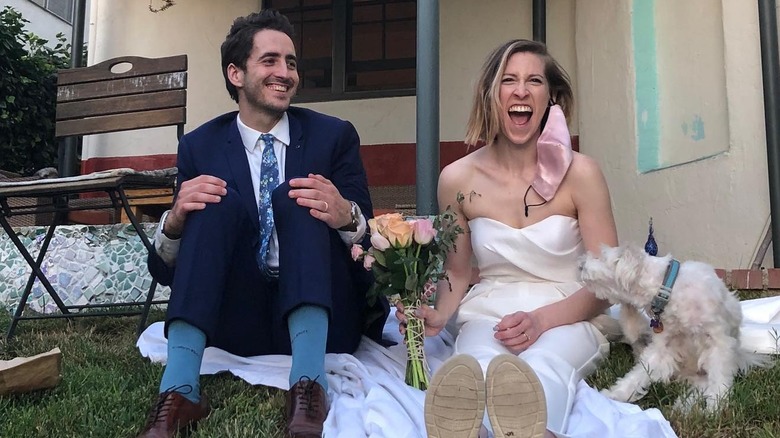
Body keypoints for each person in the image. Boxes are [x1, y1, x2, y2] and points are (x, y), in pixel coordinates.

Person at [137, 9, 388, 438]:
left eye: (291, 63)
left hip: (325, 319)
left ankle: (309, 388)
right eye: (270, 61)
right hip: (238, 323)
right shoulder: (200, 146)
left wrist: (346, 214)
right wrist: (175, 219)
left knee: (298, 196)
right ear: (236, 73)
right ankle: (178, 394)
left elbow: (369, 250)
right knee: (208, 203)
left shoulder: (334, 136)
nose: (285, 73)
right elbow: (164, 271)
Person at [410, 39, 619, 438]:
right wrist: (438, 313)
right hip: (490, 311)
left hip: (567, 311)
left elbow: (607, 283)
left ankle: (537, 431)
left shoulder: (583, 173)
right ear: (492, 95)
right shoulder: (457, 179)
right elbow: (456, 270)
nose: (521, 90)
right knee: (475, 370)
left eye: (534, 81)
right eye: (509, 80)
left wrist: (541, 321)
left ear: (550, 97)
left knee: (542, 370)